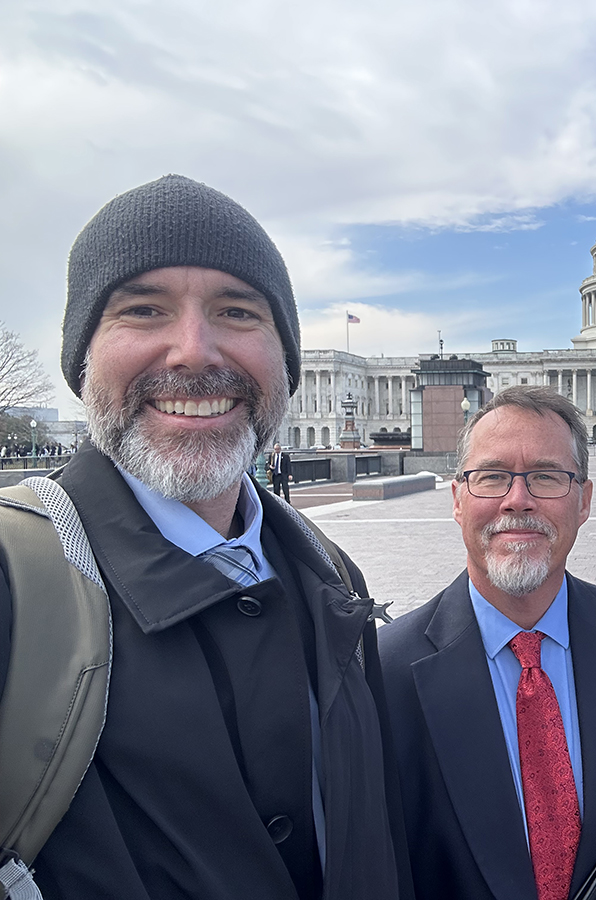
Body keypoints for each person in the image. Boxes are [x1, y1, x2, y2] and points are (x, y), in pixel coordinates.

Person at [0, 175, 411, 900]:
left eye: (237, 311)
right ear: (81, 358)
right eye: (144, 309)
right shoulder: (14, 588)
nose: (193, 351)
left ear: (283, 359)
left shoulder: (334, 576)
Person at [379, 386, 596, 900]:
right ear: (457, 499)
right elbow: (382, 868)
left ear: (584, 501)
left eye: (546, 476)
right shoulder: (383, 673)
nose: (518, 499)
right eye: (492, 476)